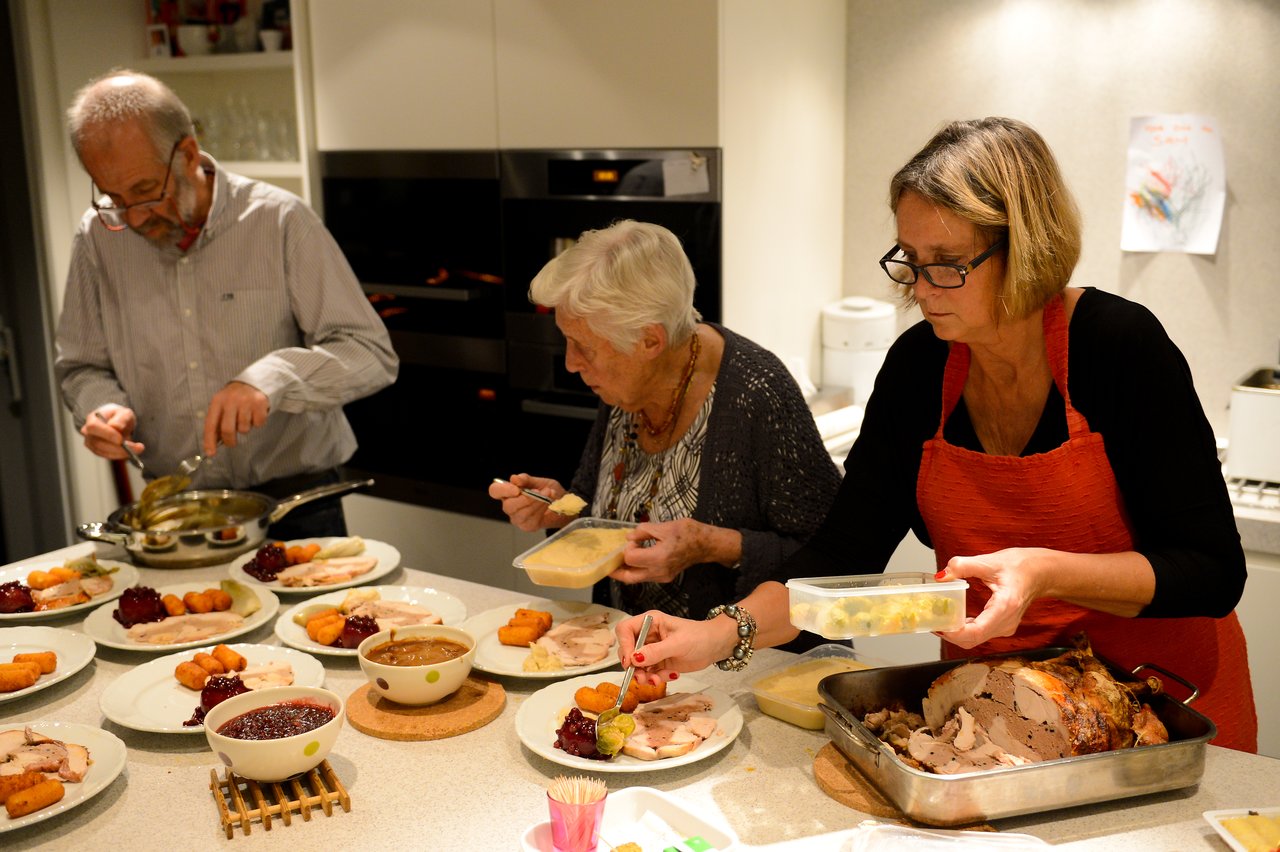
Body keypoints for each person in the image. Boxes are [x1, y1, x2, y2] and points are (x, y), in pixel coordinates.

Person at [616, 118, 1257, 752]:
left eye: (948, 264)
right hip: (994, 720)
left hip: (1159, 712)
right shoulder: (919, 367)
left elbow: (1211, 570)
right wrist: (720, 633)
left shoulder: (1119, 348)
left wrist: (1044, 572)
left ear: (1027, 248)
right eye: (911, 261)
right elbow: (841, 555)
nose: (921, 289)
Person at [56, 70, 398, 538]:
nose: (133, 217)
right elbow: (81, 367)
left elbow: (370, 353)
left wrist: (270, 379)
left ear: (188, 155)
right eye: (112, 197)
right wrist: (101, 409)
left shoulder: (279, 221)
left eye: (143, 191)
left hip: (297, 508)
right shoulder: (97, 239)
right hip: (177, 514)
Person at [489, 220, 841, 648]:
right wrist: (558, 510)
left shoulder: (757, 393)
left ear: (650, 341)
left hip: (748, 672)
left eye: (584, 346)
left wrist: (710, 544)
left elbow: (832, 563)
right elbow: (599, 510)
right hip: (635, 659)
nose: (570, 362)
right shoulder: (625, 385)